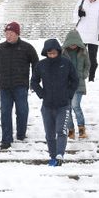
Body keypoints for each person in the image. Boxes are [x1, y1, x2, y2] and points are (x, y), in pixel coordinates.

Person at [0, 21, 39, 149]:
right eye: (6, 33)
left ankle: (21, 133)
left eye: (11, 33)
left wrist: (34, 80)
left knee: (22, 111)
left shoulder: (27, 48)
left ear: (17, 34)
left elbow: (36, 64)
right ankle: (6, 139)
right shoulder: (0, 48)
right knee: (5, 112)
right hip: (4, 86)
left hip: (20, 85)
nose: (8, 36)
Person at [31, 38, 79, 166]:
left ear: (58, 51)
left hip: (63, 105)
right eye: (49, 53)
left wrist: (68, 94)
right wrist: (41, 94)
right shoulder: (41, 65)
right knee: (49, 134)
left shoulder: (66, 63)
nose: (51, 55)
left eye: (54, 53)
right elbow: (34, 81)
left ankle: (59, 155)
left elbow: (75, 80)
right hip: (47, 105)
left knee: (61, 131)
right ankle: (53, 156)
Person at [74, 0, 99, 82]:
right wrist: (79, 14)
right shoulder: (82, 2)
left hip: (94, 35)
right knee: (79, 57)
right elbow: (74, 15)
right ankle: (79, 77)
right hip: (82, 34)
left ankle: (91, 77)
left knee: (93, 59)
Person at [61, 29, 90, 139]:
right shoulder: (63, 53)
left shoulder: (83, 52)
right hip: (66, 84)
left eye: (75, 43)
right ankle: (71, 129)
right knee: (67, 108)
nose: (73, 45)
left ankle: (81, 128)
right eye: (71, 43)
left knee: (75, 106)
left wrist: (84, 75)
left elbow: (88, 65)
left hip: (78, 84)